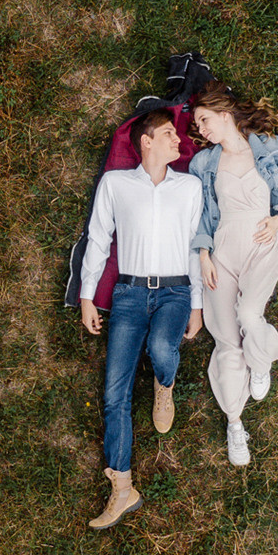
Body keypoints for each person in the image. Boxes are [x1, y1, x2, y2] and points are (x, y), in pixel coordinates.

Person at [78, 108, 205, 530]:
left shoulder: (190, 187)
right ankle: (122, 487)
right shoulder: (116, 184)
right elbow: (98, 239)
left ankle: (163, 384)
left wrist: (199, 305)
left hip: (175, 291)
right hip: (129, 295)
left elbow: (195, 247)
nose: (179, 141)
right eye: (170, 134)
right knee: (114, 395)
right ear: (146, 141)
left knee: (161, 349)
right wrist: (87, 295)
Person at [187, 80, 278, 466]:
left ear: (225, 115)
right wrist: (204, 253)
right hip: (222, 246)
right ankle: (234, 422)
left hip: (262, 242)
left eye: (205, 120)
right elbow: (199, 217)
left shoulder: (272, 148)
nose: (202, 130)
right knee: (227, 338)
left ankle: (262, 361)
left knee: (249, 315)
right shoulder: (202, 164)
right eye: (198, 125)